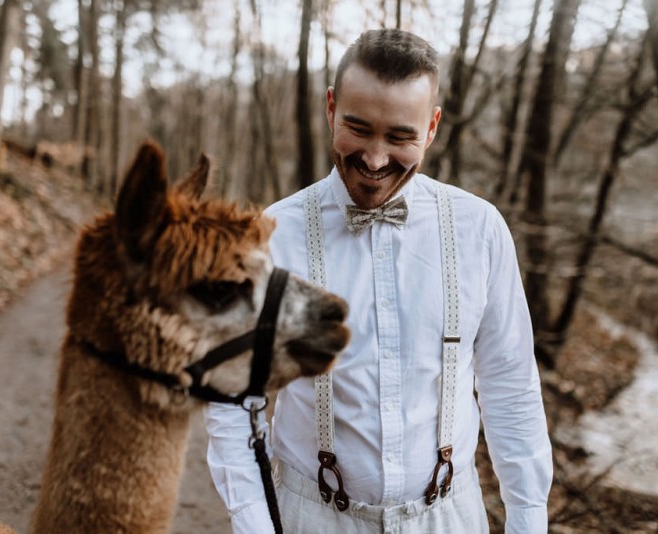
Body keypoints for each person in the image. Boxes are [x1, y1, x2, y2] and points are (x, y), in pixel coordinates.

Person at [204, 28, 553, 534]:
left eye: (400, 137)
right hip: (310, 515)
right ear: (331, 108)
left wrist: (528, 518)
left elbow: (510, 386)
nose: (373, 159)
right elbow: (236, 402)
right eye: (358, 128)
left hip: (450, 516)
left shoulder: (480, 230)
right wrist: (255, 524)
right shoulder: (271, 238)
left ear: (431, 128)